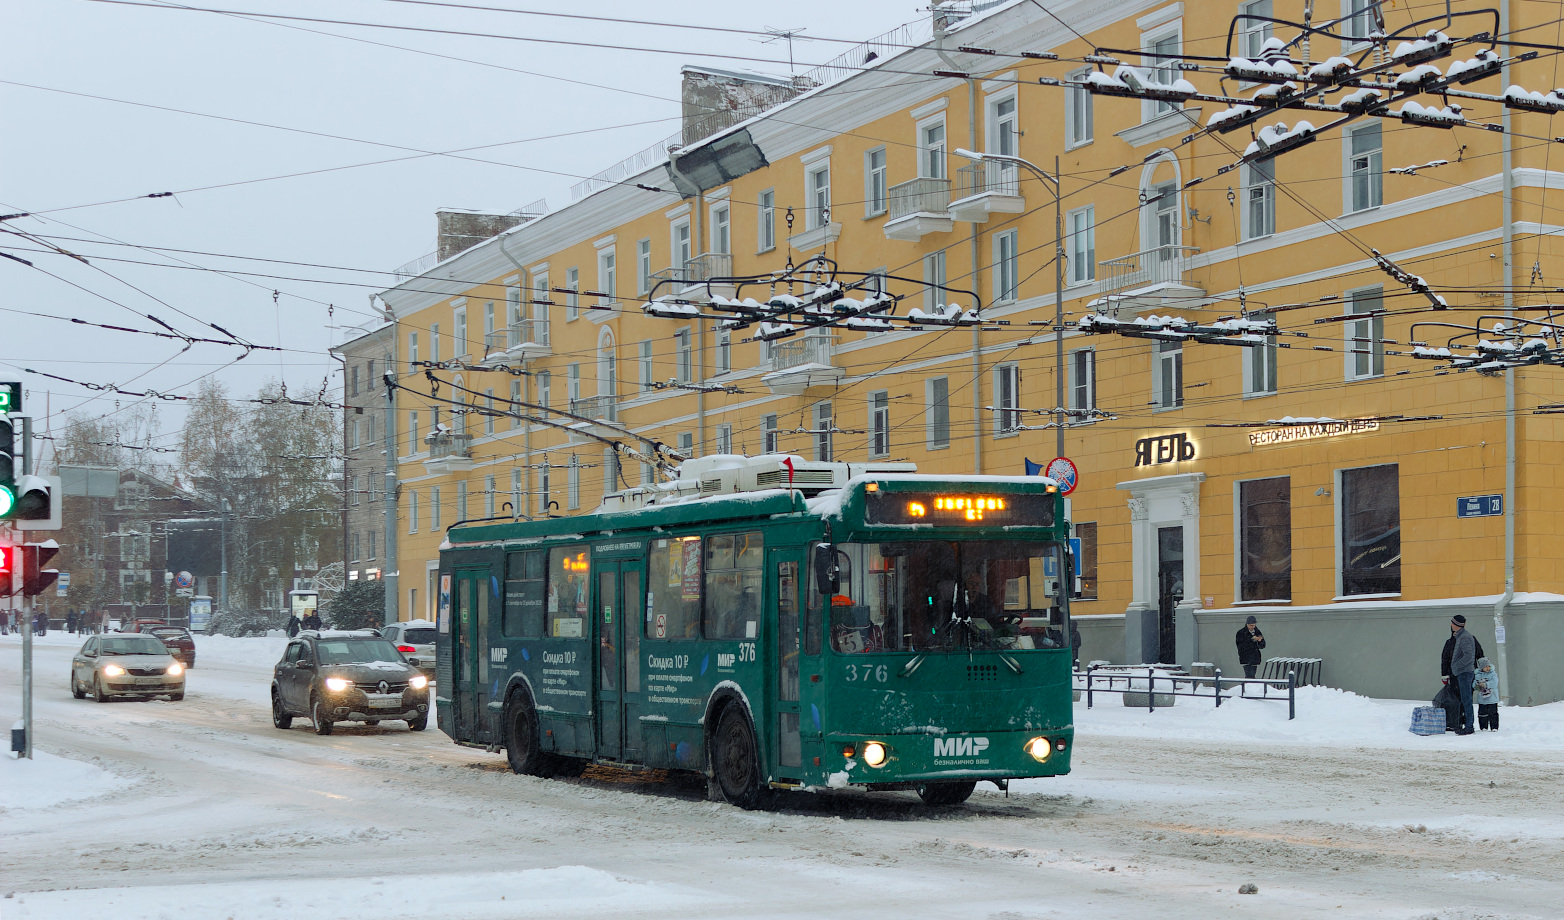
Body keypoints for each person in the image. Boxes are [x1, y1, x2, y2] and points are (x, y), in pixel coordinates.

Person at [1440, 623, 1486, 731]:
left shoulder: (1456, 641)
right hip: (1462, 673)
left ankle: (1461, 722)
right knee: (1464, 698)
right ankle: (1460, 721)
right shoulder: (1467, 639)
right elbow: (1479, 654)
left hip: (1461, 673)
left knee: (1460, 698)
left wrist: (1446, 673)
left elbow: (1446, 659)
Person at [1447, 615, 1477, 736]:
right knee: (1465, 699)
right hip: (1463, 671)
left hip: (1465, 672)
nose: (1451, 625)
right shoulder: (1461, 636)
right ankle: (1468, 725)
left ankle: (1469, 726)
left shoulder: (1464, 637)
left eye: (1452, 623)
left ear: (1458, 625)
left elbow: (1468, 656)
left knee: (1466, 700)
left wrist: (1456, 666)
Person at [1473, 656, 1500, 731]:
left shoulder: (1493, 674)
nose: (1488, 668)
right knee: (1482, 713)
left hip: (1492, 698)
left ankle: (1494, 727)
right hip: (1482, 699)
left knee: (1493, 713)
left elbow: (1494, 683)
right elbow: (1474, 684)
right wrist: (1477, 686)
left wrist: (1486, 685)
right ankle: (1483, 726)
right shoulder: (1478, 675)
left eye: (1488, 666)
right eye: (1485, 667)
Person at [1236, 615, 1266, 679]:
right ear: (1247, 624)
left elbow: (1263, 645)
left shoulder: (1257, 632)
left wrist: (1260, 641)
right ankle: (1247, 687)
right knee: (1249, 675)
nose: (1253, 627)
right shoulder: (1241, 633)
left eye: (1254, 625)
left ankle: (1250, 687)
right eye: (1251, 625)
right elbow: (1240, 645)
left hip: (1255, 657)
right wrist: (1252, 640)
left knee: (1252, 674)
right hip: (1246, 657)